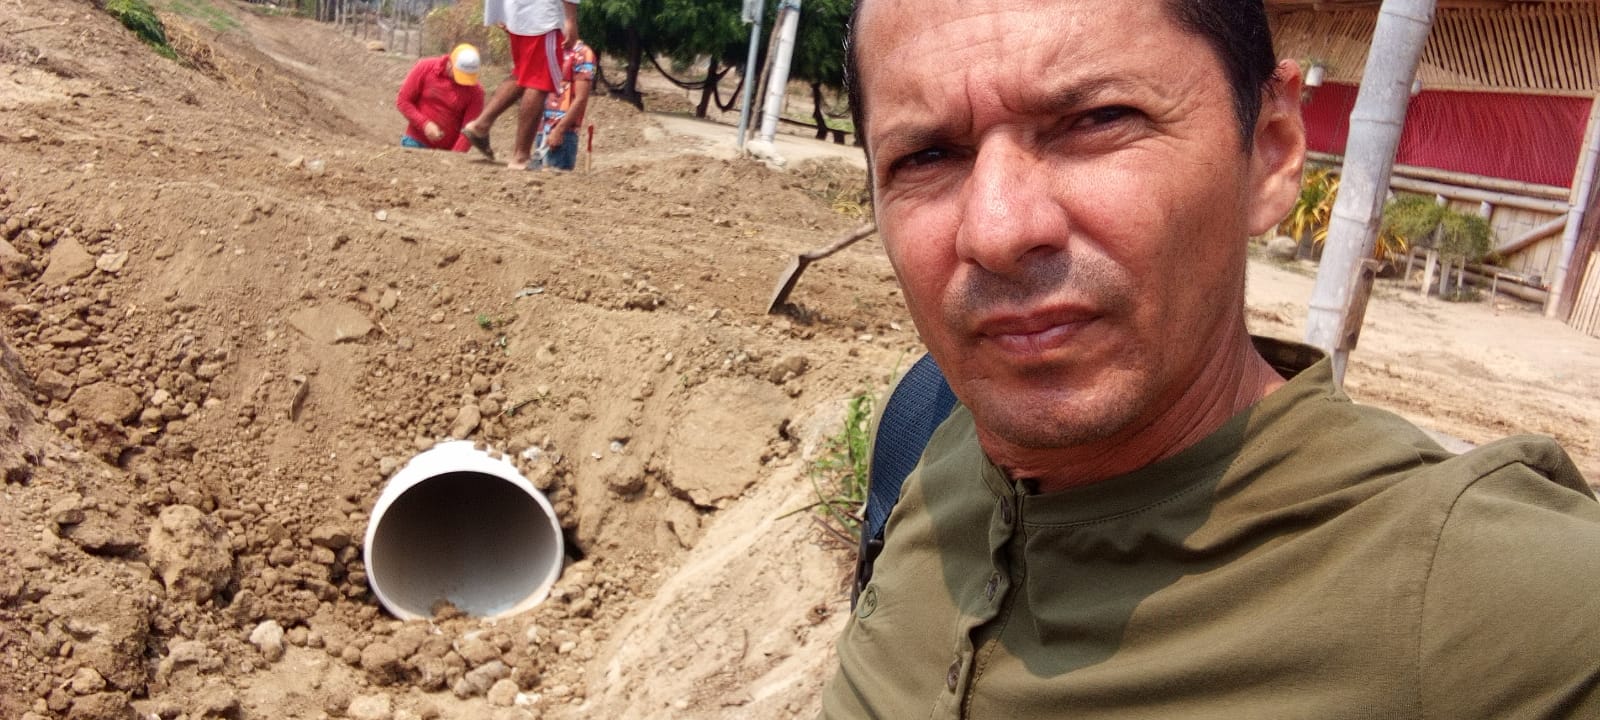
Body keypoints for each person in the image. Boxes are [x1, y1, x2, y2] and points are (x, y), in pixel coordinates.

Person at [822, 0, 1600, 718]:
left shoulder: (1492, 609)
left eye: (1097, 120)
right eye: (925, 155)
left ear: (1271, 152)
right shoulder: (925, 429)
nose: (996, 230)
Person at [460, 0, 580, 169]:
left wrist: (500, 11)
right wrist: (570, 19)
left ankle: (480, 125)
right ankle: (521, 157)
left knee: (523, 73)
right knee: (539, 82)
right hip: (542, 18)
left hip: (517, 14)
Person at [395, 44, 485, 152]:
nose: (463, 81)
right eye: (460, 75)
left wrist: (454, 156)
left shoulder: (476, 92)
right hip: (415, 142)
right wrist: (424, 124)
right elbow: (403, 101)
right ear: (450, 63)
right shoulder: (425, 67)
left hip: (447, 151)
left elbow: (469, 130)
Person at [531, 38, 595, 171]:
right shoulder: (550, 49)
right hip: (541, 130)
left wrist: (559, 130)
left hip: (562, 134)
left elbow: (581, 99)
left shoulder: (582, 53)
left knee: (555, 179)